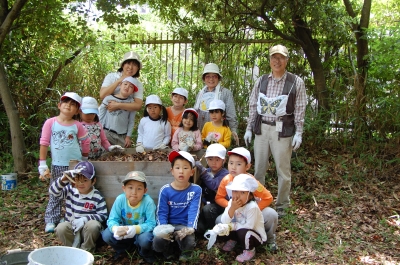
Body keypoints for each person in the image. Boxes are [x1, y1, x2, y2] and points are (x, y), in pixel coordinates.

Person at [243, 44, 307, 217]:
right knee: (259, 170)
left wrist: (299, 133)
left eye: (281, 57)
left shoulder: (295, 82)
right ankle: (257, 201)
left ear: (286, 60)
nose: (277, 61)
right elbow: (252, 105)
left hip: (282, 130)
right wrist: (249, 128)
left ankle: (282, 206)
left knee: (283, 171)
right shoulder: (262, 80)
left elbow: (300, 108)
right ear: (270, 60)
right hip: (262, 129)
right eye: (274, 57)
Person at [38, 92, 90, 233]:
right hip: (57, 164)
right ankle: (51, 219)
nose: (69, 106)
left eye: (73, 104)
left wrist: (84, 159)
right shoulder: (51, 122)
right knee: (55, 191)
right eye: (66, 102)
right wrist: (42, 163)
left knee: (73, 192)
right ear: (59, 105)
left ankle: (68, 217)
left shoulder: (77, 125)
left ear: (77, 111)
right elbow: (44, 143)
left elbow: (85, 142)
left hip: (75, 164)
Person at [215, 147, 278, 252]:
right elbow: (219, 198)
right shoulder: (226, 179)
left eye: (238, 164)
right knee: (219, 220)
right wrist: (232, 207)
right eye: (231, 163)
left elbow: (268, 198)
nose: (233, 167)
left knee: (271, 214)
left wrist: (253, 210)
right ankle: (233, 239)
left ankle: (270, 239)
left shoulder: (251, 181)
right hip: (235, 213)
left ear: (247, 166)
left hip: (252, 213)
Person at [152, 150, 202, 261]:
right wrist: (163, 229)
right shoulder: (165, 190)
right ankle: (167, 251)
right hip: (169, 225)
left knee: (188, 240)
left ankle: (185, 254)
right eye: (177, 168)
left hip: (184, 226)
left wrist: (190, 228)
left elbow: (194, 210)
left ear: (192, 172)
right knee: (158, 241)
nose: (181, 172)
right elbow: (162, 212)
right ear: (172, 171)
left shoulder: (195, 190)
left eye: (185, 168)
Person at [49, 161, 107, 252]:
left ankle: (87, 250)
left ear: (93, 181)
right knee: (61, 227)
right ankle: (72, 250)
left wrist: (85, 219)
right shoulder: (70, 190)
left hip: (86, 231)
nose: (81, 184)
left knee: (93, 225)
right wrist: (64, 178)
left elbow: (103, 215)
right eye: (77, 180)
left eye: (85, 180)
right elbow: (53, 191)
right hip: (72, 228)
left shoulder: (97, 196)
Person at [101, 171, 156, 262]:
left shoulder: (148, 202)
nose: (134, 192)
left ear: (145, 191)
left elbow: (152, 223)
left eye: (139, 188)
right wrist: (115, 229)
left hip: (140, 233)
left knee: (145, 240)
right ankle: (122, 250)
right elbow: (112, 219)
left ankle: (144, 253)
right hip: (124, 233)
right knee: (106, 234)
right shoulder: (120, 200)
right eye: (130, 187)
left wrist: (135, 229)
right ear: (124, 188)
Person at [220, 174, 267, 262]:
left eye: (242, 192)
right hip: (240, 230)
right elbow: (224, 221)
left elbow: (249, 226)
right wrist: (232, 209)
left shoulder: (252, 207)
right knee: (226, 225)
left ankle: (250, 250)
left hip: (255, 236)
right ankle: (233, 240)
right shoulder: (231, 203)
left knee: (243, 230)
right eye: (235, 191)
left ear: (250, 195)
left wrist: (232, 226)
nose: (237, 195)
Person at [194, 63, 239, 145]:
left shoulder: (225, 93)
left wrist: (233, 131)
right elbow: (195, 113)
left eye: (214, 76)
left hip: (219, 136)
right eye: (208, 76)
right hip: (201, 133)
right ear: (204, 78)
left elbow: (231, 114)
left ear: (218, 78)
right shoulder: (200, 94)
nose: (211, 79)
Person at [195, 143, 229, 235]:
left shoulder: (225, 174)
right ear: (206, 160)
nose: (214, 162)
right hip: (206, 204)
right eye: (210, 159)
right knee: (198, 229)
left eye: (217, 160)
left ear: (224, 160)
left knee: (208, 209)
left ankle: (216, 231)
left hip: (220, 206)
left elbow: (214, 185)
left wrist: (202, 171)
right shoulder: (208, 171)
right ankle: (205, 229)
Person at [99, 77, 139, 147]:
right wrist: (100, 130)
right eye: (125, 84)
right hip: (107, 132)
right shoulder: (108, 98)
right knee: (105, 154)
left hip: (121, 136)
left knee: (121, 155)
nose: (127, 87)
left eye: (131, 87)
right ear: (120, 85)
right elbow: (101, 115)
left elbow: (131, 121)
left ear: (133, 91)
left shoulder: (131, 103)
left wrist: (128, 136)